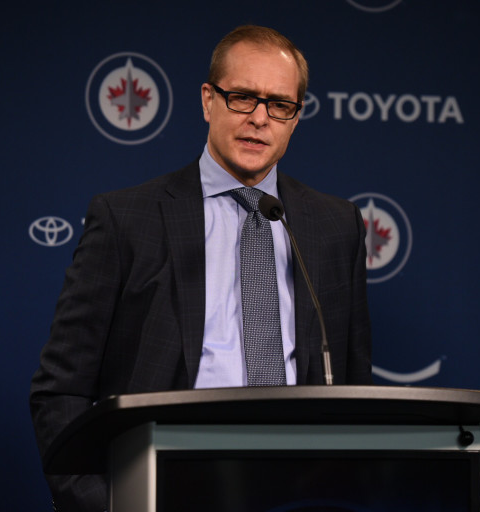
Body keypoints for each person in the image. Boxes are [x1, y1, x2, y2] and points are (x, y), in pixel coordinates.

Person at [30, 24, 372, 511]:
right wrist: (106, 504)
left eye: (279, 104)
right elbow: (61, 388)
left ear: (296, 118)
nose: (259, 118)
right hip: (163, 487)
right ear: (209, 101)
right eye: (242, 97)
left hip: (298, 491)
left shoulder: (336, 226)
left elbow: (355, 388)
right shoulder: (127, 218)